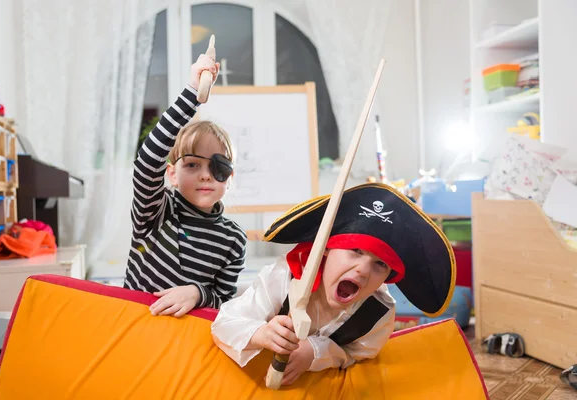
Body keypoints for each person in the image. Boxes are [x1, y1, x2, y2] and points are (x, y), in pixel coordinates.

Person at [211, 183, 455, 385]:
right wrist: (260, 333)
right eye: (355, 251)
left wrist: (316, 352)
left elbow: (357, 353)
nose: (362, 269)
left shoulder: (379, 314)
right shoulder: (284, 276)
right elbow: (225, 322)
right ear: (327, 248)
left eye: (380, 265)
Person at [124, 54, 247, 318]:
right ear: (172, 174)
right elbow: (147, 161)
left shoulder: (233, 239)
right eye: (192, 165)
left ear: (230, 176)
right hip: (133, 333)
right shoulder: (156, 212)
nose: (205, 175)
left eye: (218, 166)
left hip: (185, 346)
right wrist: (193, 93)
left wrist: (197, 293)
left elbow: (223, 301)